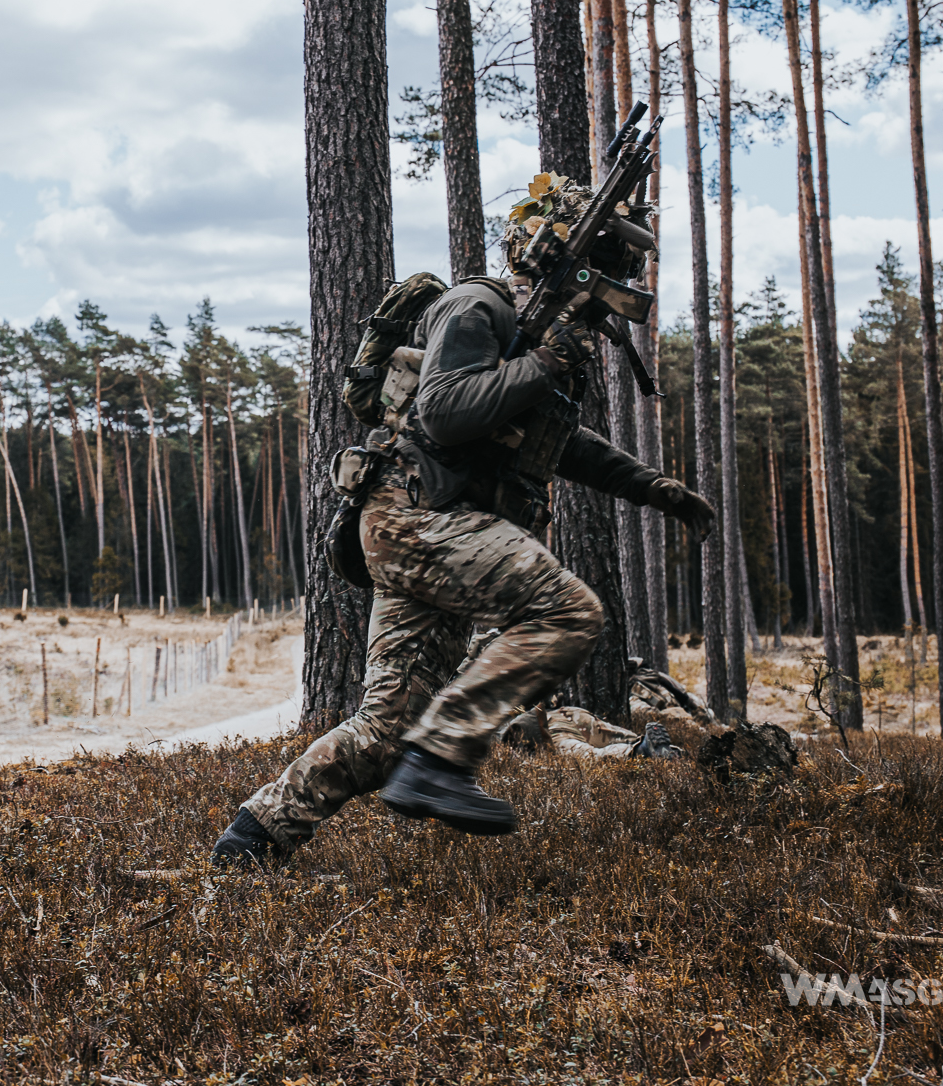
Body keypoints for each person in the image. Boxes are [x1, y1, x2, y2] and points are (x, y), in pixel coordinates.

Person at [213, 178, 714, 866]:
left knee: (386, 733)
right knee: (567, 611)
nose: (621, 284)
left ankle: (252, 839)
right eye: (612, 264)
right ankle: (443, 756)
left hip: (429, 529)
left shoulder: (541, 340)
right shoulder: (477, 306)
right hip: (417, 517)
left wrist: (654, 488)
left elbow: (557, 443)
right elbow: (444, 411)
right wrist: (542, 362)